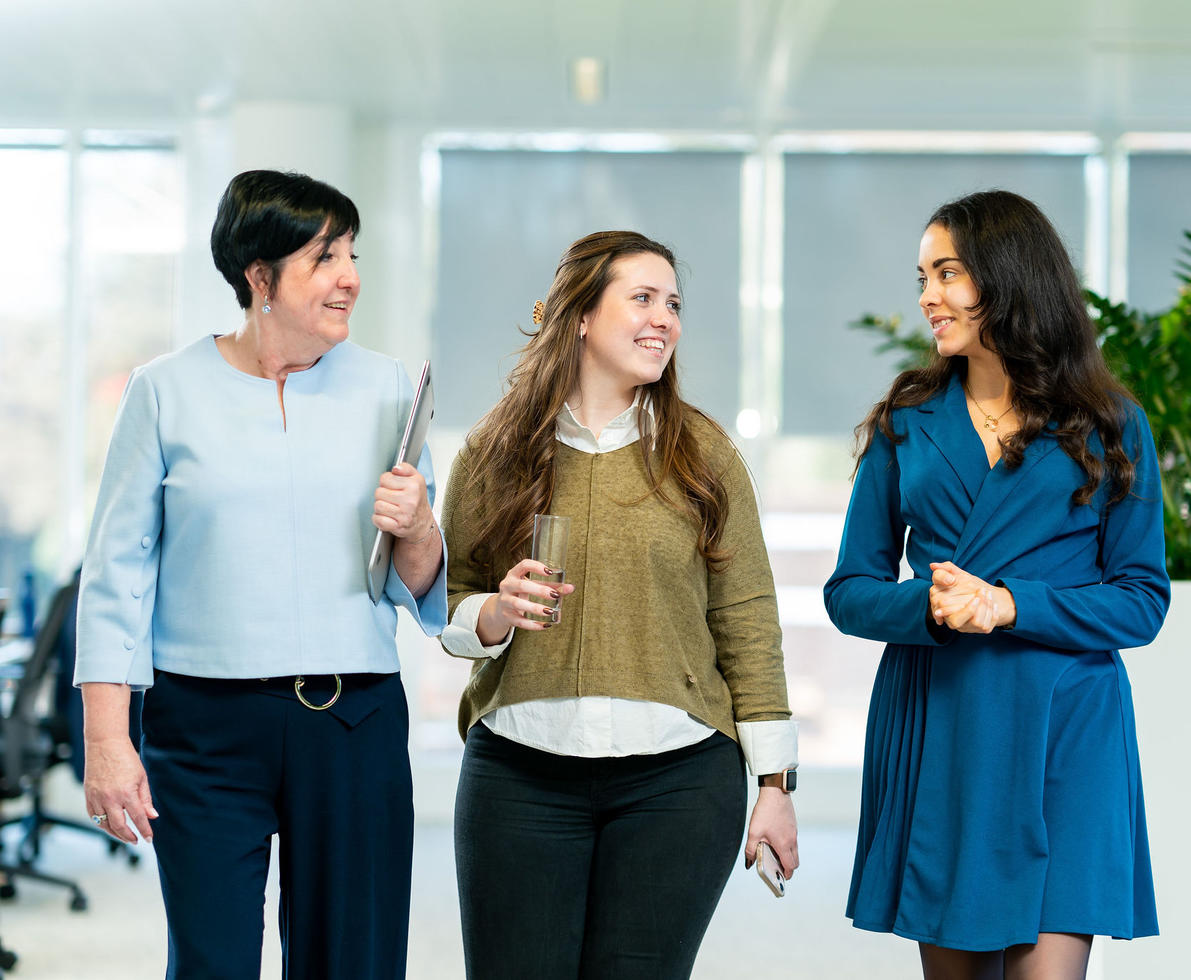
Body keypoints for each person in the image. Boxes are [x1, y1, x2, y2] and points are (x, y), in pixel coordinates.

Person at [75, 169, 447, 980]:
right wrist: (106, 740)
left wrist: (419, 527)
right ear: (259, 278)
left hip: (352, 723)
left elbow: (421, 589)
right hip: (203, 728)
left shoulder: (391, 389)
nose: (350, 276)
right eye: (324, 257)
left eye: (351, 253)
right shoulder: (163, 391)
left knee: (352, 961)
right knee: (210, 962)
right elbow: (117, 577)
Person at [824, 190, 1171, 979]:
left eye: (945, 273)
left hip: (1066, 732)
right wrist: (934, 608)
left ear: (1006, 277)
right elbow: (848, 590)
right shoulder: (905, 421)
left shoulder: (1110, 423)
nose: (925, 297)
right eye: (921, 275)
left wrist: (1009, 603)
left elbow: (1141, 599)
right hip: (946, 726)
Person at [439, 230, 799, 979]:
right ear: (578, 315)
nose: (663, 318)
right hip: (518, 774)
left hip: (678, 781)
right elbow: (453, 601)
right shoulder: (493, 450)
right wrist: (495, 613)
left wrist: (773, 787)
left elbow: (748, 625)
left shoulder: (704, 454)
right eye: (641, 298)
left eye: (672, 303)